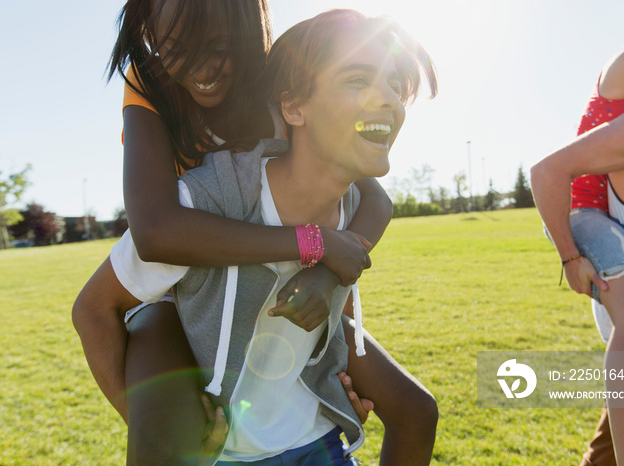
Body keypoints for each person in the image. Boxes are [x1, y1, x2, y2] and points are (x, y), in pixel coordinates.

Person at [73, 8, 438, 465]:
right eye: (176, 51)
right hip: (174, 278)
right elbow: (156, 231)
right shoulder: (149, 81)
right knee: (166, 438)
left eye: (218, 50)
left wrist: (329, 275)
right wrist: (312, 244)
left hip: (273, 271)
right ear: (151, 38)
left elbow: (374, 200)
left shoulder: (275, 76)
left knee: (416, 409)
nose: (200, 69)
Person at [535, 1, 624, 463]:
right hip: (584, 211)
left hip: (618, 218)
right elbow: (550, 173)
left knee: (610, 447)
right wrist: (571, 257)